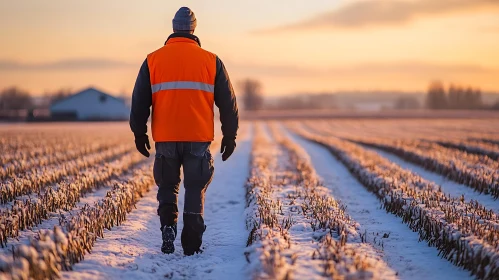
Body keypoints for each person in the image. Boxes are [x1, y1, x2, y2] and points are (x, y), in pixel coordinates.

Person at [129, 6, 239, 256]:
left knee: (167, 186)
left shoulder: (153, 59)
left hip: (166, 136)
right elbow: (228, 102)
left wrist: (139, 132)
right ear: (194, 29)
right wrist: (230, 135)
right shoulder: (211, 60)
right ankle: (191, 243)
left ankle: (168, 227)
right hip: (198, 138)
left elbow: (139, 100)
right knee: (194, 187)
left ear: (173, 28)